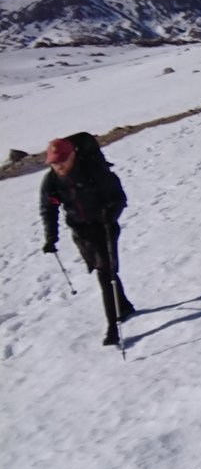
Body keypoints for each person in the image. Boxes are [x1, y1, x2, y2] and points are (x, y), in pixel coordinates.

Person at [40, 136, 136, 346]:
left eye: (62, 159)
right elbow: (49, 209)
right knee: (102, 270)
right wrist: (51, 237)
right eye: (55, 162)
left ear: (73, 155)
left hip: (104, 226)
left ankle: (113, 326)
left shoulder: (94, 171)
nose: (59, 165)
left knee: (104, 273)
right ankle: (124, 306)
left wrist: (110, 214)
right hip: (81, 232)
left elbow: (119, 197)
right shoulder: (51, 181)